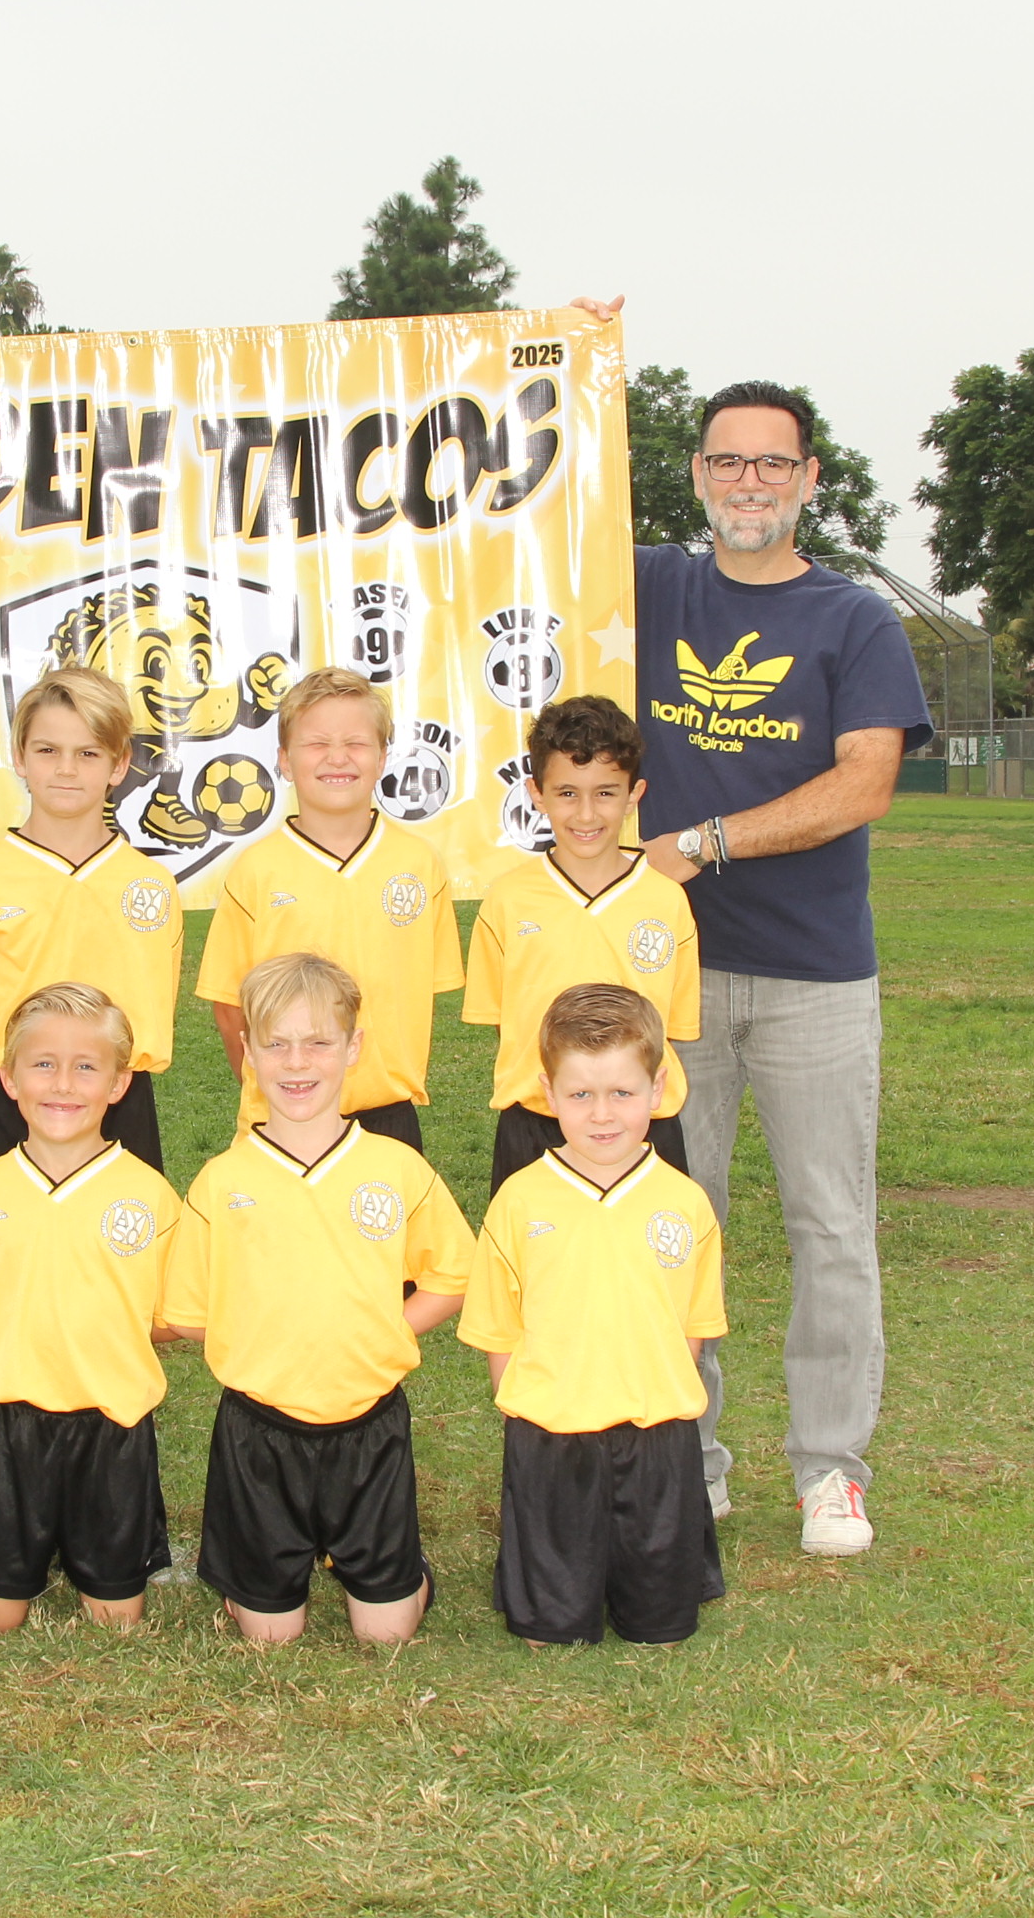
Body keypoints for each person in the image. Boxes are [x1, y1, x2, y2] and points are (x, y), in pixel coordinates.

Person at [628, 373, 931, 1556]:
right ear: (697, 475)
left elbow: (866, 783)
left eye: (771, 463)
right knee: (671, 1219)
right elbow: (531, 522)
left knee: (831, 1226)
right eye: (726, 460)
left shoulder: (853, 620)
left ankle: (831, 1471)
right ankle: (687, 1459)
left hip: (816, 975)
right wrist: (574, 354)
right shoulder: (647, 586)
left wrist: (704, 842)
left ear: (808, 480)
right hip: (671, 975)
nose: (747, 482)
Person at [161, 953, 473, 1647]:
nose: (297, 1062)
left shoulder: (395, 1168)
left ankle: (396, 1569)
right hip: (260, 1431)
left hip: (370, 1425)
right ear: (248, 1052)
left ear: (353, 1048)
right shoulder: (222, 1182)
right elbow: (186, 1313)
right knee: (271, 1637)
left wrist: (385, 1328)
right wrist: (269, 1333)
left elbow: (452, 1276)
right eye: (276, 1043)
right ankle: (263, 1573)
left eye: (318, 1042)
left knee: (386, 1636)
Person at [462, 984, 729, 1646]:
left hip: (656, 1435)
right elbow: (498, 1327)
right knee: (548, 1634)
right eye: (580, 1094)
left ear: (657, 1090)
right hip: (553, 1436)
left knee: (661, 1631)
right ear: (548, 1094)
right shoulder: (519, 1201)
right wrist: (526, 1417)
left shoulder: (685, 1202)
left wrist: (658, 1393)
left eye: (622, 1092)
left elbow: (693, 1328)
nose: (602, 1114)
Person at [0, 982, 186, 1634]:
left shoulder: (150, 1196)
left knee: (116, 1621)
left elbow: (167, 1320)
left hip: (111, 1424)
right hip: (7, 1426)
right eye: (43, 1064)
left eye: (86, 1067)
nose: (63, 1084)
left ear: (119, 1083)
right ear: (9, 1078)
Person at [192, 668, 464, 1150]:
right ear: (285, 760)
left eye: (355, 743)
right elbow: (229, 1006)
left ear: (381, 758)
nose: (337, 758)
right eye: (317, 744)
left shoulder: (418, 864)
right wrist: (279, 1086)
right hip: (283, 1115)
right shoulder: (256, 870)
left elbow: (421, 991)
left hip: (388, 1116)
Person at [0, 667, 184, 1171]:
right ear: (20, 757)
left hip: (122, 1099)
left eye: (88, 753)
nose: (66, 769)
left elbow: (152, 1017)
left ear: (119, 764)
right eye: (48, 750)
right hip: (12, 1101)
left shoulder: (151, 886)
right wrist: (30, 1081)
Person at [464, 694, 703, 1199]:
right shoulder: (508, 900)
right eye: (568, 793)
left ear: (634, 793)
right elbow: (505, 1023)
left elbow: (672, 1030)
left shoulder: (666, 900)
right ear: (537, 793)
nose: (587, 813)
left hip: (643, 1129)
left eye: (606, 793)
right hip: (536, 1125)